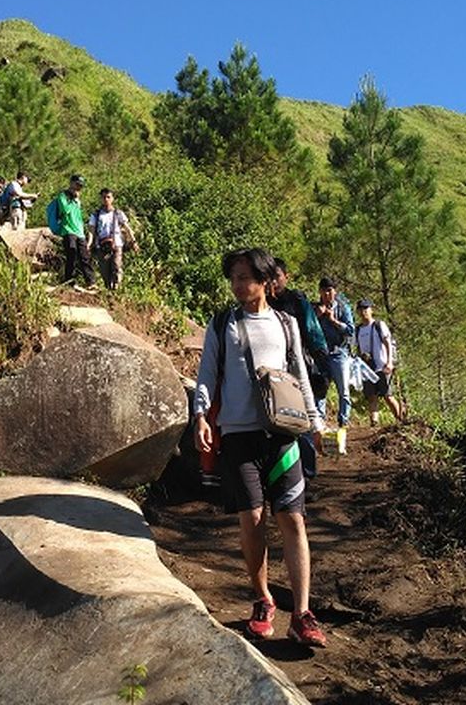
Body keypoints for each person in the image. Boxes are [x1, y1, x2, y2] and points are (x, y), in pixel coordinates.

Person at [194, 248, 328, 648]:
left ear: (265, 281)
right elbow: (207, 372)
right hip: (237, 433)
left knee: (292, 519)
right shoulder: (222, 324)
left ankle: (302, 613)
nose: (237, 285)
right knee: (252, 517)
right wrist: (200, 415)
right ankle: (263, 599)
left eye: (244, 277)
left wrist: (316, 424)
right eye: (233, 277)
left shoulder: (286, 324)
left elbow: (300, 374)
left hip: (283, 434)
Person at [269, 258, 331, 485]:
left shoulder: (296, 300)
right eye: (269, 277)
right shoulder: (261, 302)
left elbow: (313, 332)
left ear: (287, 276)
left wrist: (323, 363)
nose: (273, 281)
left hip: (297, 368)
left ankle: (307, 475)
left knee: (300, 420)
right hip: (271, 372)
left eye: (277, 276)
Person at [315, 277, 355, 442]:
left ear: (335, 291)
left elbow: (350, 330)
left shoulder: (343, 308)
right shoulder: (315, 308)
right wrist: (316, 317)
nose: (327, 294)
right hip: (321, 354)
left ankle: (343, 421)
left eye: (330, 290)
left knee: (343, 390)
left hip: (340, 353)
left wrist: (333, 320)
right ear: (319, 292)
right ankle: (320, 422)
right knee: (320, 389)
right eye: (324, 290)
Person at [354, 299, 405, 425]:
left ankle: (400, 420)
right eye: (360, 309)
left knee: (388, 396)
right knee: (372, 397)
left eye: (366, 309)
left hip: (382, 366)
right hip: (367, 369)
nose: (363, 312)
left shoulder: (378, 325)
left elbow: (388, 343)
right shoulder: (358, 330)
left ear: (371, 310)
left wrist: (389, 363)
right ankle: (374, 423)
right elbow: (357, 348)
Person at [52, 174, 95, 288]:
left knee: (85, 257)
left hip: (79, 231)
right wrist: (72, 199)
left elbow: (78, 217)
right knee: (72, 255)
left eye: (81, 186)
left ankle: (91, 282)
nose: (79, 188)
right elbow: (65, 211)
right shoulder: (63, 196)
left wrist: (83, 231)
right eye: (77, 185)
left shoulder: (78, 199)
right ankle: (70, 281)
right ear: (71, 183)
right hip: (68, 230)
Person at [87, 188, 134, 290]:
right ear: (100, 199)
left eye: (108, 197)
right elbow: (91, 230)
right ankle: (109, 289)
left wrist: (133, 241)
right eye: (104, 197)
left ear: (112, 198)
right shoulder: (96, 214)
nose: (106, 199)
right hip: (101, 245)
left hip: (116, 244)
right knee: (104, 270)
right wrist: (89, 243)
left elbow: (127, 227)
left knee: (117, 265)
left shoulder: (118, 213)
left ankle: (117, 287)